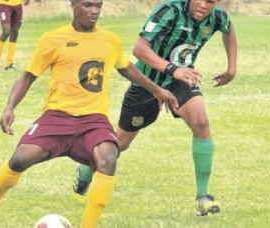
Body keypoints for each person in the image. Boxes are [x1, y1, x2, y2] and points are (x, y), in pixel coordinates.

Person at [0, 0, 178, 227]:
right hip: (57, 116)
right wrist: (10, 107)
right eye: (88, 5)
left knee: (109, 158)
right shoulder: (53, 39)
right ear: (73, 5)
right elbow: (28, 76)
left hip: (94, 120)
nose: (94, 11)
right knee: (20, 159)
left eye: (98, 6)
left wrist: (157, 90)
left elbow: (126, 67)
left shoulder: (109, 40)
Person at [72, 0, 237, 216]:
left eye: (211, 2)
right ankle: (85, 169)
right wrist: (172, 69)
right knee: (119, 144)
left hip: (181, 82)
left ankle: (202, 196)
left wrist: (231, 68)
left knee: (201, 122)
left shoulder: (217, 17)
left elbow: (229, 29)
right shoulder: (169, 11)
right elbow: (139, 49)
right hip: (147, 84)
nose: (204, 5)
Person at [0, 0, 30, 71]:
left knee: (14, 33)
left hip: (17, 5)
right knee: (6, 31)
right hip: (5, 4)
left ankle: (8, 64)